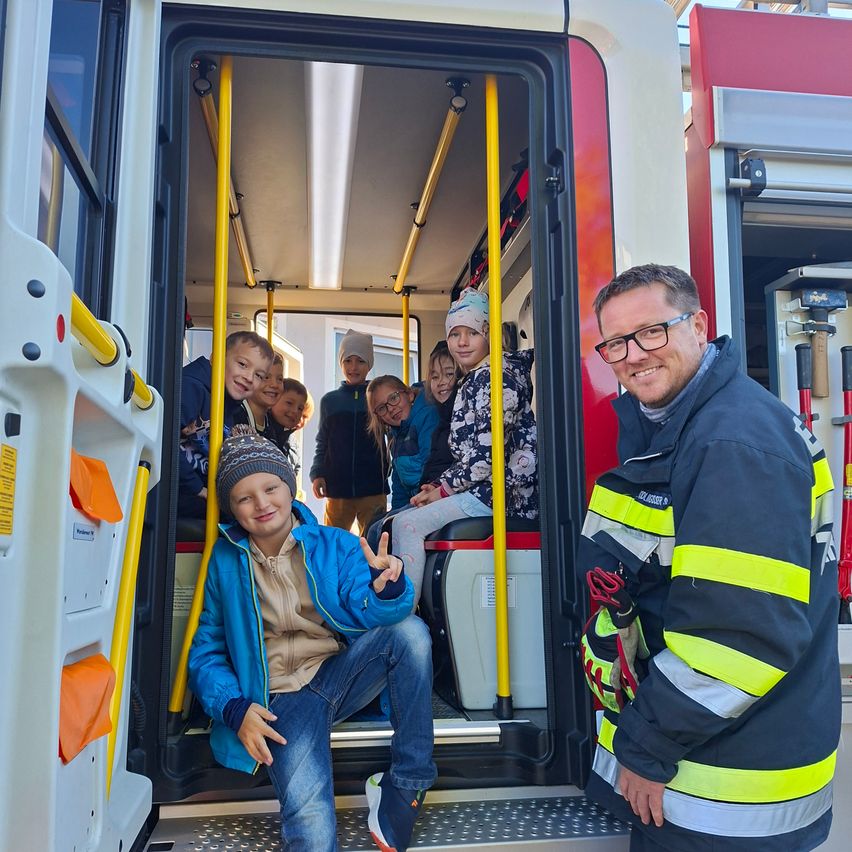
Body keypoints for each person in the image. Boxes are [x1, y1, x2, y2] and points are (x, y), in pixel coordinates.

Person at [578, 264, 840, 851]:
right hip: (725, 759)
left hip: (725, 795)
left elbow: (737, 640)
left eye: (652, 331)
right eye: (615, 341)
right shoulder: (695, 424)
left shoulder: (732, 443)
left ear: (698, 325)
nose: (634, 354)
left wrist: (645, 746)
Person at [188, 427, 436, 852]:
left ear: (290, 487)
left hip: (336, 675)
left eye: (270, 488)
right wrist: (234, 707)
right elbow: (206, 651)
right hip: (279, 702)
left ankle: (407, 782)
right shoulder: (224, 560)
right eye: (244, 498)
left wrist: (385, 591)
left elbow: (371, 611)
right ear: (231, 508)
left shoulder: (334, 544)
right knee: (312, 835)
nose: (262, 503)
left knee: (410, 634)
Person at [391, 288, 538, 604]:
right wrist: (438, 487)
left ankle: (403, 615)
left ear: (489, 333)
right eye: (455, 334)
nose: (461, 341)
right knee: (408, 516)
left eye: (472, 332)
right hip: (488, 490)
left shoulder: (495, 377)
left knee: (407, 524)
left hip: (503, 495)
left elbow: (487, 454)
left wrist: (442, 491)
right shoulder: (478, 378)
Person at [178, 330, 274, 519]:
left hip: (196, 488)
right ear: (217, 357)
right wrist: (200, 490)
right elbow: (163, 442)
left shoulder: (229, 407)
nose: (249, 377)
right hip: (176, 490)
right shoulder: (192, 387)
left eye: (258, 375)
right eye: (242, 364)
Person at [310, 330, 389, 534]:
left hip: (373, 487)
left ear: (369, 364)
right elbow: (323, 441)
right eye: (348, 361)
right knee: (333, 542)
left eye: (360, 361)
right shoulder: (330, 401)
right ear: (341, 363)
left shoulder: (379, 397)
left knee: (373, 539)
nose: (353, 367)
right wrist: (317, 473)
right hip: (337, 489)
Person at [366, 376, 440, 513]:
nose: (391, 409)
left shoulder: (426, 417)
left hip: (430, 497)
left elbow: (431, 466)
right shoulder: (396, 436)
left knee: (380, 528)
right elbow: (399, 483)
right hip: (415, 501)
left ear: (410, 394)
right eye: (382, 408)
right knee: (378, 524)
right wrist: (396, 511)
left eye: (393, 398)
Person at [419, 341, 461, 488]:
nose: (440, 382)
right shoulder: (443, 422)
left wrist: (436, 489)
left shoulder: (463, 422)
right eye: (435, 377)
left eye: (449, 374)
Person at [233, 352, 289, 451]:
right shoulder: (235, 416)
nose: (274, 385)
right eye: (266, 377)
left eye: (279, 379)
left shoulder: (273, 426)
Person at [269, 376, 313, 477]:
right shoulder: (261, 428)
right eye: (289, 403)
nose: (294, 411)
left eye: (300, 408)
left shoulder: (293, 446)